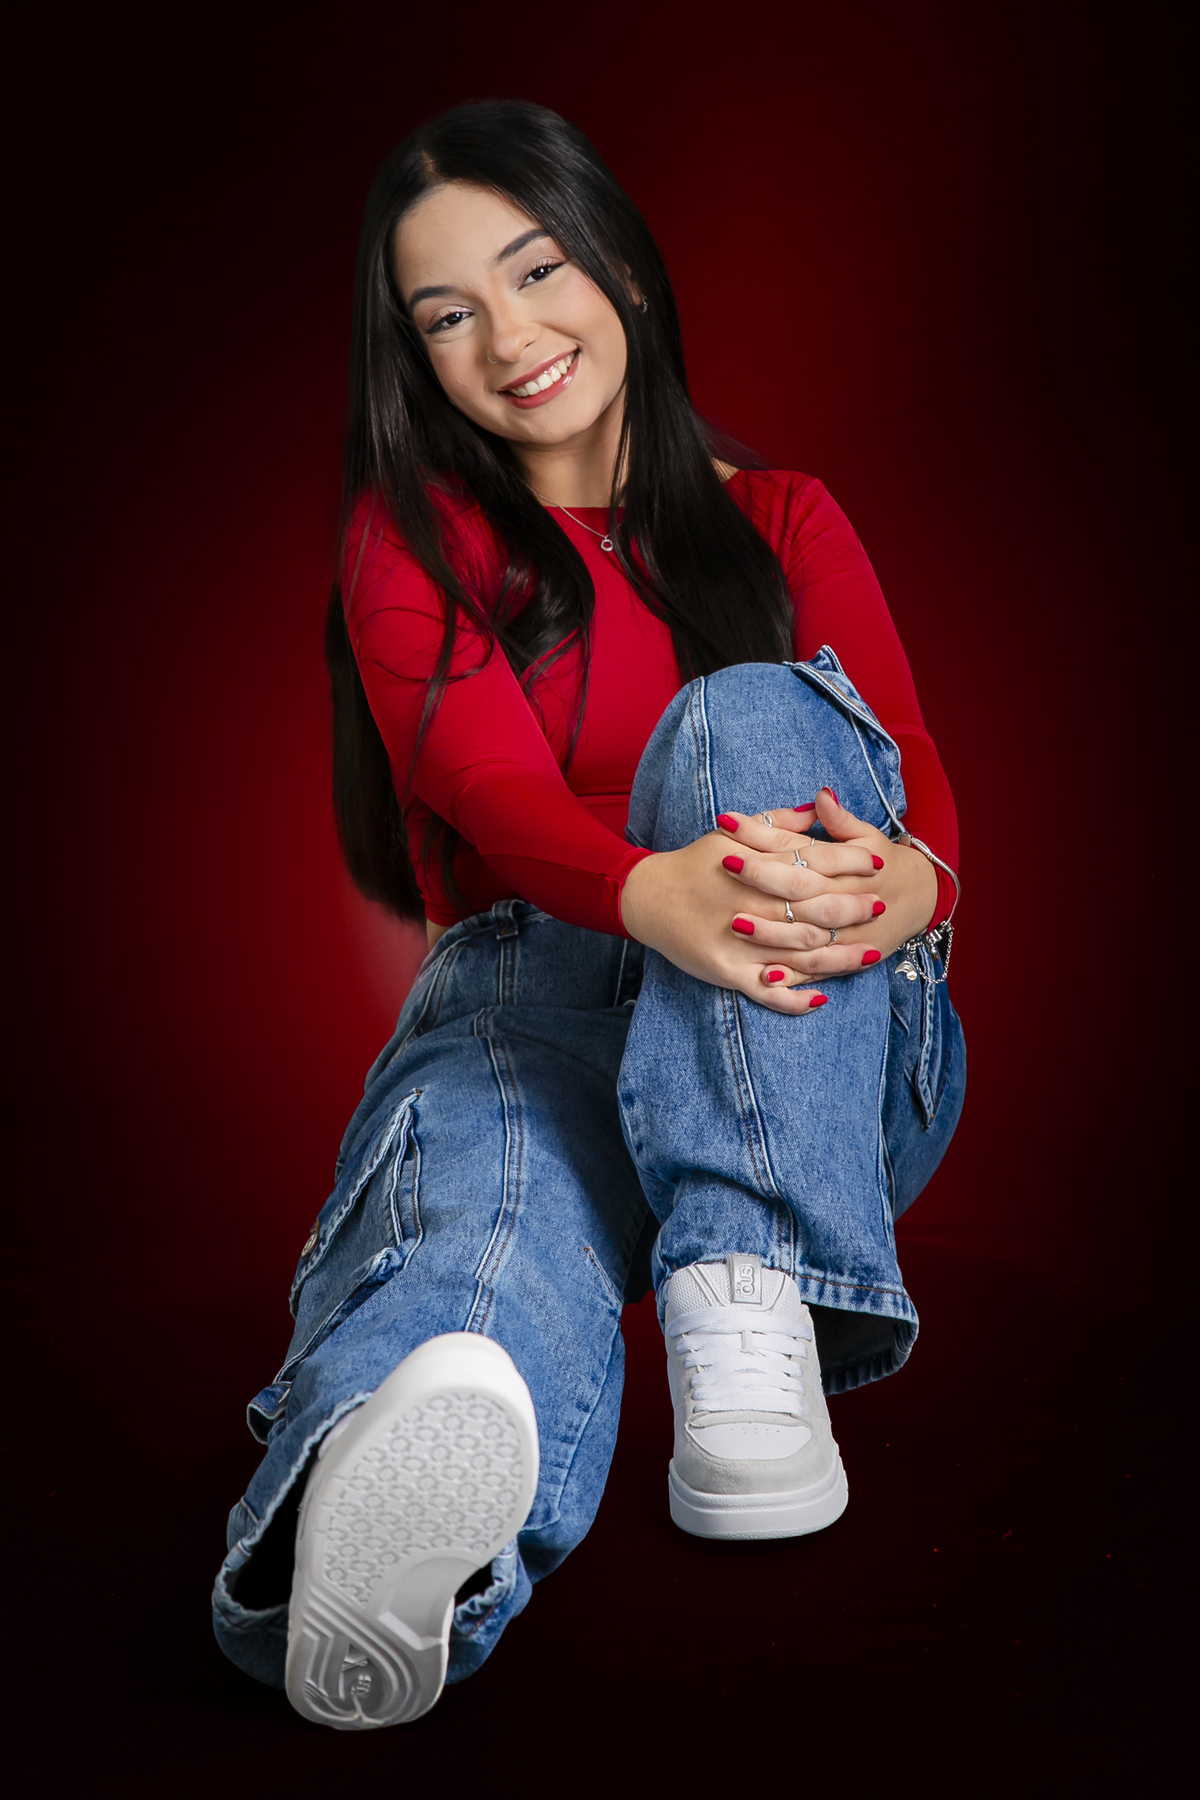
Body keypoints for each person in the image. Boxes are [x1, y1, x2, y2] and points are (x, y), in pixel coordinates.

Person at [212, 99, 965, 1731]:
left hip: (816, 1031)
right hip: (533, 995)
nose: (508, 339)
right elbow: (484, 784)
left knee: (750, 718)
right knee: (486, 1235)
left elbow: (911, 782)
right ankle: (379, 1512)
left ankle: (747, 1278)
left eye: (536, 269)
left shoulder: (786, 517)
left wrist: (913, 881)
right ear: (417, 360)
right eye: (447, 316)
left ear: (618, 264)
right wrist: (641, 895)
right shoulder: (409, 539)